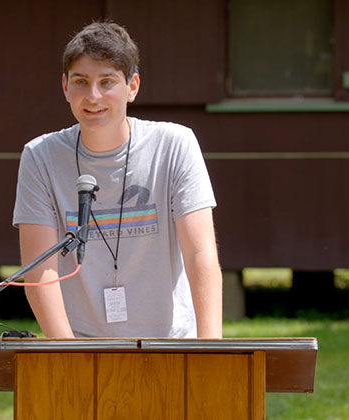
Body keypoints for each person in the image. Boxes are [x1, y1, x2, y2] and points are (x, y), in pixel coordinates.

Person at [13, 21, 222, 338]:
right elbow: (41, 270)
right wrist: (67, 356)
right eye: (81, 82)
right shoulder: (40, 156)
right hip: (82, 348)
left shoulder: (175, 145)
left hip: (172, 344)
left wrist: (211, 351)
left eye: (107, 81)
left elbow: (200, 254)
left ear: (133, 86)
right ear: (65, 87)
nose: (93, 96)